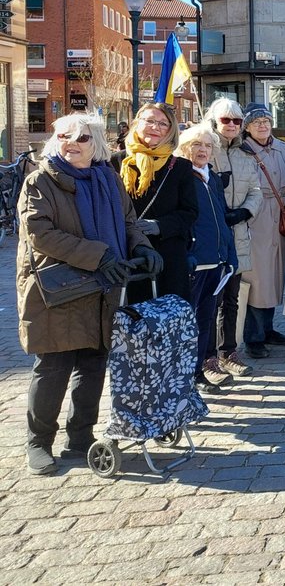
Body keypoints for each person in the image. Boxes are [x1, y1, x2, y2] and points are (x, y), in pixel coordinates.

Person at [17, 113, 161, 475]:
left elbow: (128, 222)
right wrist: (101, 255)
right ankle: (38, 442)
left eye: (82, 138)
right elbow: (41, 234)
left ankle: (80, 438)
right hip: (57, 291)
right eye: (65, 136)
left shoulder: (107, 179)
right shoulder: (40, 181)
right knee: (53, 367)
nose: (72, 143)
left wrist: (142, 247)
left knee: (93, 365)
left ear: (95, 143)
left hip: (101, 288)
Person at [175, 125, 239, 396]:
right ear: (184, 147)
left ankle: (199, 371)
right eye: (196, 144)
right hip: (194, 262)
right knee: (188, 322)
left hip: (216, 260)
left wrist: (229, 254)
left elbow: (221, 219)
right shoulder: (180, 176)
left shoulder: (211, 177)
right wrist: (187, 253)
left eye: (207, 146)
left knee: (205, 318)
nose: (202, 150)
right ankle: (182, 376)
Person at [203, 99, 263, 378]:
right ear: (214, 120)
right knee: (209, 300)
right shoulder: (204, 147)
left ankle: (229, 352)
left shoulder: (244, 153)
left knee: (232, 299)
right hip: (210, 235)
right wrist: (218, 214)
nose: (231, 125)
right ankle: (208, 357)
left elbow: (256, 189)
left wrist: (244, 212)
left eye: (237, 121)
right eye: (226, 120)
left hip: (237, 233)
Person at [118, 102, 199, 303]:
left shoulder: (180, 167)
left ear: (170, 131)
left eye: (163, 124)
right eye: (150, 121)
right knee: (129, 323)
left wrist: (159, 226)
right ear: (137, 123)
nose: (156, 127)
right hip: (126, 254)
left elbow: (190, 212)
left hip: (167, 258)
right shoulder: (114, 163)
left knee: (167, 323)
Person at [239, 104, 285, 359]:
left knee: (274, 275)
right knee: (256, 279)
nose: (263, 126)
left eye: (266, 121)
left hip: (279, 216)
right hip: (254, 218)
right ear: (247, 127)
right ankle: (253, 337)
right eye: (257, 123)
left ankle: (268, 329)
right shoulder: (242, 151)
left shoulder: (284, 149)